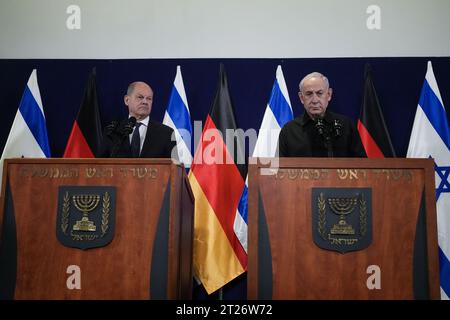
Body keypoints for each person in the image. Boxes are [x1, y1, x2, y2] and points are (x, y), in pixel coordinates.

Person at [278, 72, 366, 157]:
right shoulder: (289, 131)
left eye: (319, 93)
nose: (315, 100)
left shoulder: (346, 126)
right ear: (301, 98)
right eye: (309, 94)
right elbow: (280, 169)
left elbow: (362, 166)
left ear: (329, 94)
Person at [98, 81, 177, 158]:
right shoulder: (112, 131)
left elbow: (174, 167)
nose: (145, 102)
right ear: (127, 100)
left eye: (149, 99)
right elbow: (100, 165)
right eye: (140, 97)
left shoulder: (166, 133)